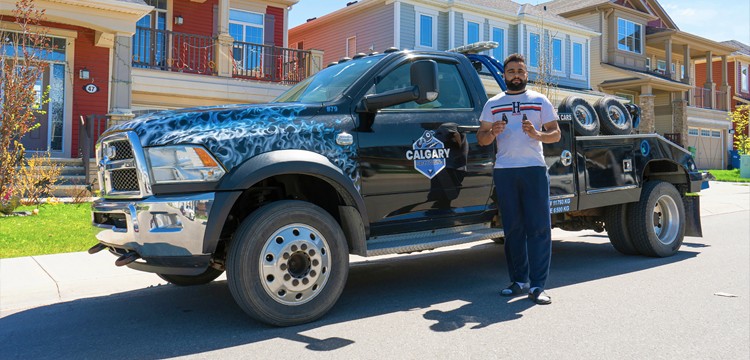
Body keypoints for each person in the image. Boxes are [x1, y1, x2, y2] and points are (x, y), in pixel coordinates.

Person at [477, 53, 561, 305]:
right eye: (511, 71)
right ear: (504, 75)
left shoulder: (539, 100)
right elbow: (482, 138)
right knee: (513, 229)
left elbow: (555, 134)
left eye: (520, 71)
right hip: (505, 170)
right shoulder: (493, 103)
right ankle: (519, 281)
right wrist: (492, 132)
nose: (516, 75)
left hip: (533, 169)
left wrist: (537, 134)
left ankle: (537, 286)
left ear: (526, 74)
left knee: (538, 228)